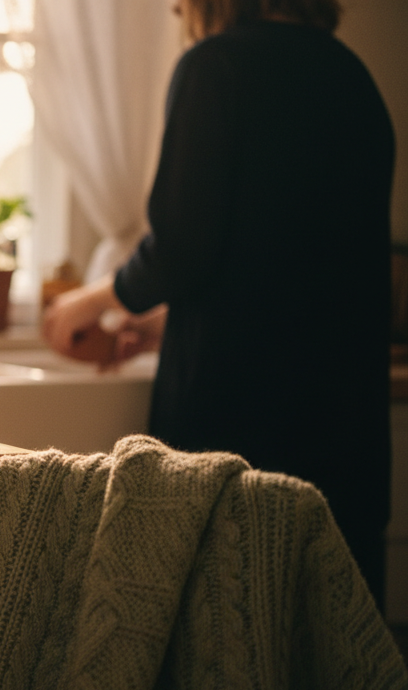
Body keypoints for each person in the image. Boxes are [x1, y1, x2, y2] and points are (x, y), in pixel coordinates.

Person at [42, 0, 396, 608]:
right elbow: (295, 265)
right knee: (338, 659)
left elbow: (180, 247)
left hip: (242, 427)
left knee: (227, 653)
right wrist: (165, 327)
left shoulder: (216, 66)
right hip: (346, 431)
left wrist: (89, 302)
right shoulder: (352, 74)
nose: (175, 5)